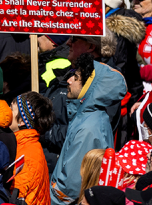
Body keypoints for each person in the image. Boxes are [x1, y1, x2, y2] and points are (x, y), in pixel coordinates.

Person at [50, 54, 127, 205]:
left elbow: (71, 185)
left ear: (89, 87)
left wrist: (50, 198)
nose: (69, 81)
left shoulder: (89, 128)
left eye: (76, 78)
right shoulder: (90, 116)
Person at [9, 92, 53, 205]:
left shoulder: (27, 154)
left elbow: (15, 196)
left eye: (12, 108)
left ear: (22, 121)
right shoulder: (27, 144)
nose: (7, 111)